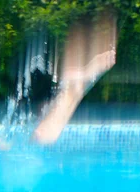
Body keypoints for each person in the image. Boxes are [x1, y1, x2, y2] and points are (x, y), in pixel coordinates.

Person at [31, 10, 117, 144]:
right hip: (71, 85)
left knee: (75, 85)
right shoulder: (77, 82)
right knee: (75, 84)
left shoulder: (75, 82)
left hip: (71, 86)